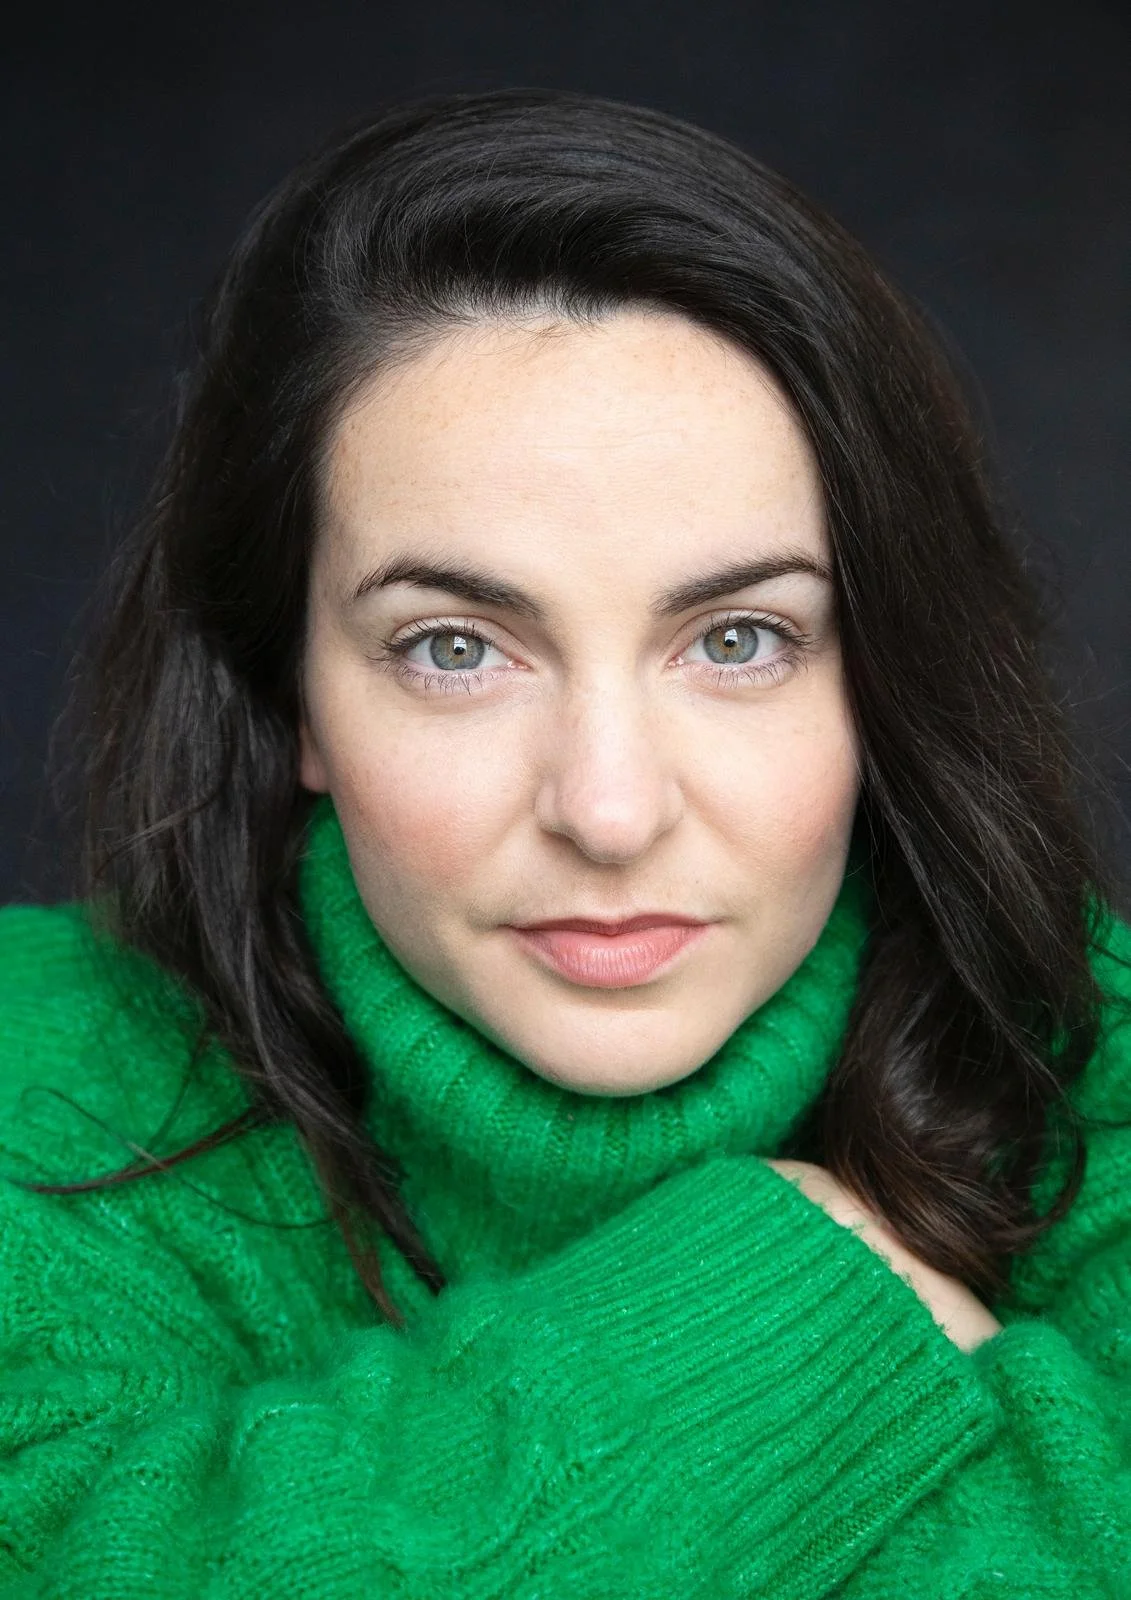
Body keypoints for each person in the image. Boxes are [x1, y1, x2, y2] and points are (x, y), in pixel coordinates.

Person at [1, 87, 1128, 1597]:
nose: (606, 811)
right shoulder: (41, 1096)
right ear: (296, 704)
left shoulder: (1091, 1066)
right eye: (456, 650)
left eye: (736, 639)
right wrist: (800, 1293)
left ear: (883, 678)